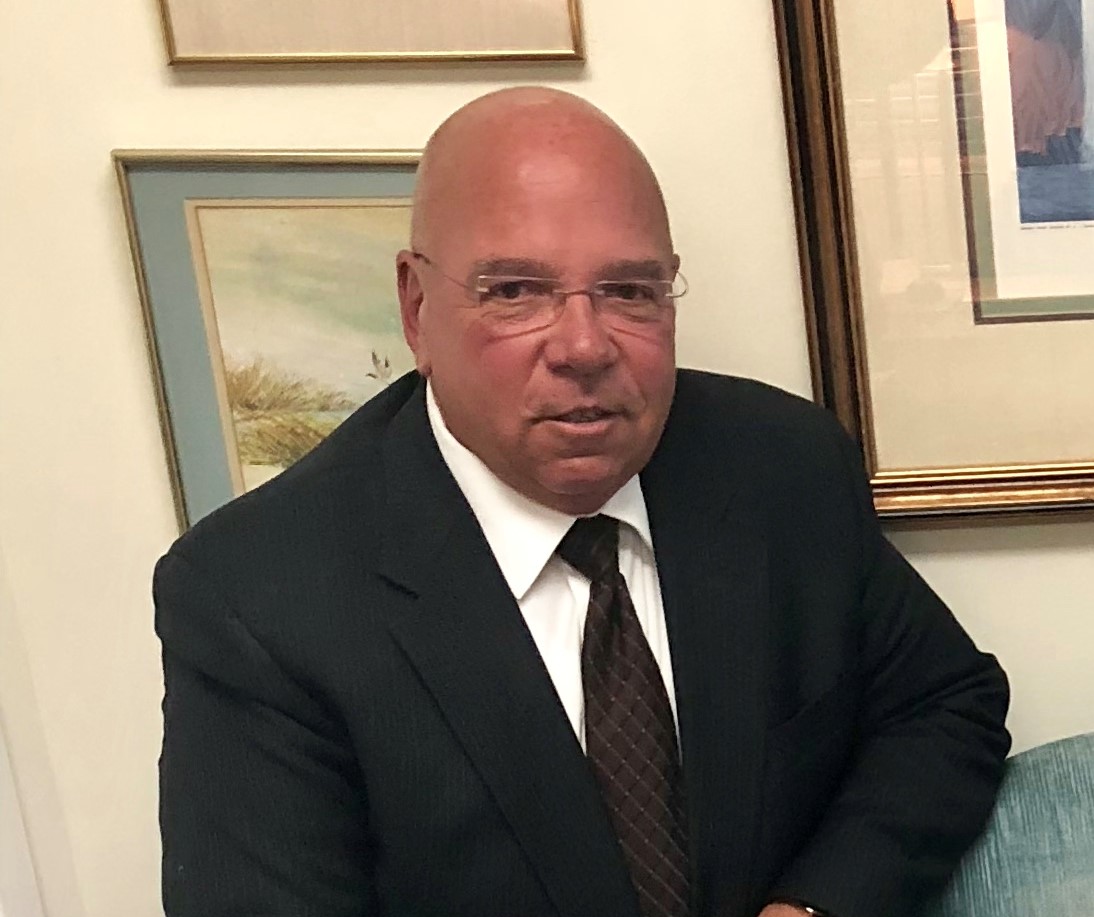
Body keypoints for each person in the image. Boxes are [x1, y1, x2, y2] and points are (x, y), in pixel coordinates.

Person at [154, 88, 1010, 917]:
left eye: (630, 290)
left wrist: (814, 904)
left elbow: (943, 708)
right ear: (416, 307)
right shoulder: (255, 599)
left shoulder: (780, 467)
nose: (584, 344)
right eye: (515, 290)